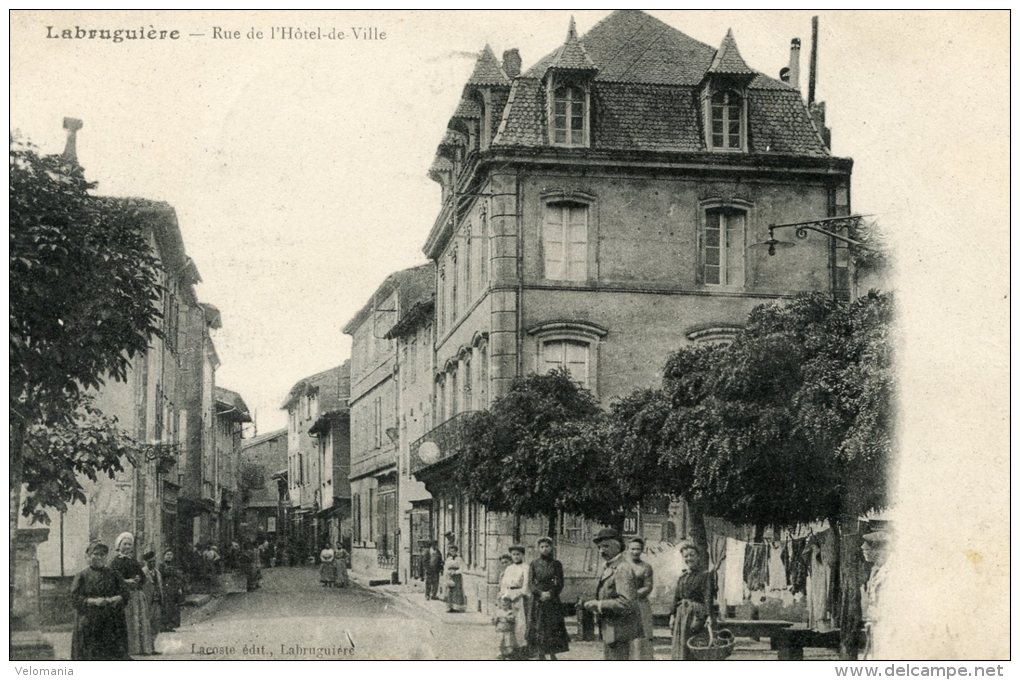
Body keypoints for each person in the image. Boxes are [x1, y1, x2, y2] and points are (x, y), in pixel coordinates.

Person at [584, 528, 641, 660]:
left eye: (605, 546)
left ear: (617, 547)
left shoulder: (622, 568)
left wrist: (599, 605)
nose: (601, 551)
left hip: (620, 629)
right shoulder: (609, 567)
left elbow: (626, 602)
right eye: (599, 547)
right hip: (611, 628)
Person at [70, 541, 130, 660]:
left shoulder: (114, 574)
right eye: (96, 554)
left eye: (103, 555)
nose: (99, 557)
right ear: (88, 556)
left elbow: (125, 594)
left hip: (111, 622)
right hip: (89, 622)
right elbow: (74, 598)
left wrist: (116, 598)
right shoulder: (82, 576)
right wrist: (92, 601)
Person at [109, 532, 156, 656]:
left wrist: (138, 579)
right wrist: (125, 581)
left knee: (139, 620)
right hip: (125, 597)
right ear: (119, 545)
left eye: (130, 544)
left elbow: (142, 576)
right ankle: (129, 648)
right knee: (128, 621)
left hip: (136, 595)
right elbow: (112, 579)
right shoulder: (115, 562)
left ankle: (141, 647)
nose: (127, 547)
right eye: (125, 544)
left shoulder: (133, 561)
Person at [669, 540, 716, 660]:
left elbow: (708, 597)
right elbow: (676, 597)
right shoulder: (682, 577)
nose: (689, 558)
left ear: (698, 557)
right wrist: (672, 615)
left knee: (694, 646)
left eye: (692, 555)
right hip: (681, 616)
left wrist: (709, 616)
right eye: (686, 556)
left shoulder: (705, 575)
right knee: (681, 646)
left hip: (696, 615)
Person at [527, 537, 570, 660]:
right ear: (538, 548)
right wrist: (540, 594)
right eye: (542, 547)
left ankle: (552, 652)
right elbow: (530, 583)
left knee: (552, 626)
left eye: (547, 546)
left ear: (551, 548)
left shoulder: (556, 564)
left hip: (552, 599)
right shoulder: (534, 564)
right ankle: (540, 653)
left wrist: (551, 593)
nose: (544, 549)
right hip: (538, 600)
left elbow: (560, 583)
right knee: (539, 625)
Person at [861, 531, 892, 660]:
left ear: (879, 550)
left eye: (867, 548)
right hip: (876, 625)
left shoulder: (892, 571)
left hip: (889, 626)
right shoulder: (876, 569)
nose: (863, 549)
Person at [498, 544, 530, 659]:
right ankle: (508, 648)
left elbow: (526, 585)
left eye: (518, 554)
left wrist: (520, 594)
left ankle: (520, 649)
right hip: (508, 596)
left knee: (520, 623)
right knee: (507, 622)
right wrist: (503, 595)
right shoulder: (509, 568)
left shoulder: (525, 567)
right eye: (514, 554)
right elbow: (504, 583)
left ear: (522, 555)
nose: (516, 557)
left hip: (519, 597)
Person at [627, 537, 655, 660]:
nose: (635, 552)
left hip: (640, 604)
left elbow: (648, 587)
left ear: (642, 551)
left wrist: (632, 595)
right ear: (628, 550)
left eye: (638, 549)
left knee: (641, 638)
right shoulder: (623, 566)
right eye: (633, 549)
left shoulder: (646, 567)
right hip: (624, 604)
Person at [141, 550, 163, 647]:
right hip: (147, 602)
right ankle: (147, 646)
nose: (152, 563)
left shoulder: (158, 573)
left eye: (154, 561)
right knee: (147, 623)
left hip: (157, 602)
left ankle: (152, 644)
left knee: (156, 623)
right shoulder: (142, 572)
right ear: (146, 562)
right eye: (150, 562)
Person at [160, 548, 184, 632]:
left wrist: (179, 587)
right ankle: (163, 626)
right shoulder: (161, 566)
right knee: (165, 607)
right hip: (165, 588)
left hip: (173, 589)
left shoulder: (175, 565)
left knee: (173, 607)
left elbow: (179, 577)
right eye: (167, 555)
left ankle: (171, 625)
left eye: (171, 555)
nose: (169, 556)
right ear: (164, 556)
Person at [444, 545, 466, 613]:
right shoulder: (448, 559)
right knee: (449, 592)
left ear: (456, 551)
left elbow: (462, 568)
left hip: (457, 577)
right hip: (450, 576)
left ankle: (458, 607)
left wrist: (455, 572)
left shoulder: (459, 559)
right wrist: (448, 573)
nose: (452, 552)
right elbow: (445, 567)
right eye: (451, 551)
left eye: (453, 551)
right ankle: (450, 607)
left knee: (457, 591)